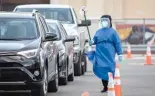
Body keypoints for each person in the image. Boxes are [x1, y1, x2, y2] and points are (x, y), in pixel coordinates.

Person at [88, 15, 123, 93]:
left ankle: (111, 84)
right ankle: (105, 86)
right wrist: (92, 42)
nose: (104, 22)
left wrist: (120, 53)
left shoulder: (113, 32)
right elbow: (95, 39)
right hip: (100, 53)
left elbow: (117, 43)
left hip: (109, 53)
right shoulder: (98, 31)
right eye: (102, 20)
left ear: (109, 21)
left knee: (110, 68)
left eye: (105, 20)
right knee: (102, 68)